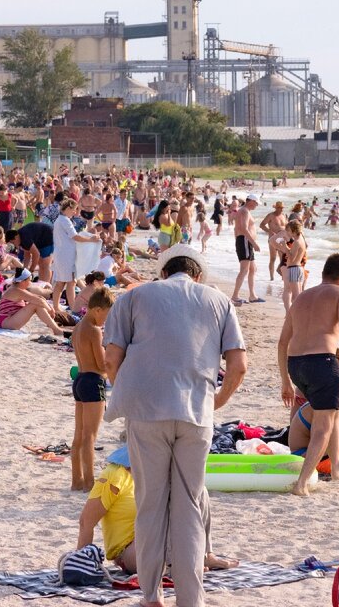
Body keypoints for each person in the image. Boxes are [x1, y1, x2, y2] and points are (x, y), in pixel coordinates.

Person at [103, 244, 247, 607]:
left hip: (147, 412)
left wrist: (135, 390)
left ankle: (151, 596)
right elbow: (239, 366)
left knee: (150, 504)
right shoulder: (218, 302)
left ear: (163, 272)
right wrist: (217, 402)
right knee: (189, 506)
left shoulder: (134, 298)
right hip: (196, 414)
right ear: (197, 275)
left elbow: (110, 360)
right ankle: (190, 599)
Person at [75, 447, 238, 576]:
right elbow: (86, 522)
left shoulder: (157, 473)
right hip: (131, 551)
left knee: (198, 490)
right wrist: (82, 564)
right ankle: (182, 564)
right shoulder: (115, 475)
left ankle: (204, 554)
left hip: (156, 543)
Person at [278, 253, 339, 496]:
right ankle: (302, 483)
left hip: (296, 364)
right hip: (322, 362)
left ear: (324, 273)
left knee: (332, 412)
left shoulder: (301, 297)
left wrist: (285, 380)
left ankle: (336, 466)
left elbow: (283, 341)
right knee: (323, 425)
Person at [71, 286, 114, 492]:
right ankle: (89, 482)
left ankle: (76, 480)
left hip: (79, 379)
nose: (105, 320)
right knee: (90, 435)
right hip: (92, 381)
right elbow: (100, 364)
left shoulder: (79, 327)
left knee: (79, 434)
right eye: (106, 315)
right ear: (97, 309)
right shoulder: (94, 330)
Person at [52, 199, 101, 315]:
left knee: (65, 282)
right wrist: (91, 239)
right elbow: (75, 237)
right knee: (68, 282)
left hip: (62, 254)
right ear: (68, 208)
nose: (75, 212)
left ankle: (63, 306)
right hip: (66, 255)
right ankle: (71, 307)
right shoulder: (65, 220)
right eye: (74, 210)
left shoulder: (61, 220)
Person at [0, 268, 68, 336]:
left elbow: (39, 298)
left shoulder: (17, 288)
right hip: (6, 322)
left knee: (36, 303)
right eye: (30, 280)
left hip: (8, 320)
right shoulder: (15, 290)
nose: (30, 283)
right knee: (35, 304)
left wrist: (49, 307)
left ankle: (55, 328)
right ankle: (56, 329)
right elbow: (39, 300)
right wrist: (50, 311)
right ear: (23, 281)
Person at [230, 194, 262, 305]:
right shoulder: (244, 211)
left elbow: (236, 228)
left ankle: (252, 295)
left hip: (245, 242)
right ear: (251, 201)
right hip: (245, 241)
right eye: (256, 203)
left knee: (253, 269)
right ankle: (235, 296)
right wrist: (254, 243)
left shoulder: (244, 211)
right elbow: (243, 228)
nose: (257, 205)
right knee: (244, 270)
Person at [280, 220, 307, 313]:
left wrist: (285, 246)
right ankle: (299, 315)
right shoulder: (301, 239)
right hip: (298, 268)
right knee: (298, 294)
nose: (287, 232)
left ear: (293, 230)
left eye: (288, 230)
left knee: (295, 297)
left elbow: (291, 258)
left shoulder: (297, 242)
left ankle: (297, 316)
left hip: (294, 268)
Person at [259, 201, 286, 280]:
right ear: (276, 208)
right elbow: (262, 225)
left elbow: (287, 227)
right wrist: (269, 231)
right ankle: (271, 278)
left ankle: (283, 278)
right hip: (273, 239)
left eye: (282, 208)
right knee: (273, 258)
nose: (281, 209)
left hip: (282, 240)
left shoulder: (283, 216)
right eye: (280, 208)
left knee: (283, 259)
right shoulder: (271, 215)